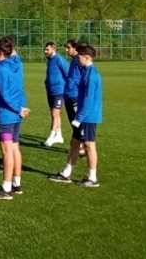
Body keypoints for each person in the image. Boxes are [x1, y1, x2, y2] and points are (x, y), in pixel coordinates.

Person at [48, 44, 103, 187]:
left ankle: (92, 178)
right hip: (84, 115)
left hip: (88, 117)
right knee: (74, 143)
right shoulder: (86, 71)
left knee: (89, 145)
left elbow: (89, 99)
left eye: (79, 57)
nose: (77, 59)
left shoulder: (91, 75)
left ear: (87, 57)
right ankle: (66, 173)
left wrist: (79, 118)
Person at [0, 37, 30, 200]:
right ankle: (17, 184)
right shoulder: (17, 65)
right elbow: (21, 87)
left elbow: (4, 95)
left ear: (0, 52)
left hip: (6, 116)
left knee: (6, 151)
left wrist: (18, 108)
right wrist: (22, 108)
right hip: (17, 116)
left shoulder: (0, 69)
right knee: (14, 148)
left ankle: (6, 188)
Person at [42, 42, 69, 147]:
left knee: (55, 114)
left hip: (59, 91)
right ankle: (59, 135)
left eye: (47, 50)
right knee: (55, 114)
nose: (45, 52)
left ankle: (51, 137)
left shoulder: (59, 59)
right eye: (45, 49)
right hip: (50, 91)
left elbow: (67, 74)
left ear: (53, 49)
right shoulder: (49, 61)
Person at [63, 39, 86, 156]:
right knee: (73, 122)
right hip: (69, 95)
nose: (66, 50)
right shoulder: (73, 61)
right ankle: (78, 146)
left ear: (75, 48)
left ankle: (83, 146)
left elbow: (83, 78)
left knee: (77, 122)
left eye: (68, 47)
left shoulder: (79, 61)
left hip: (75, 96)